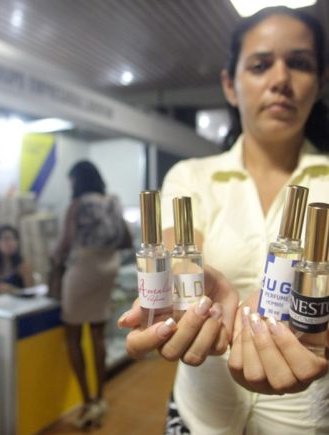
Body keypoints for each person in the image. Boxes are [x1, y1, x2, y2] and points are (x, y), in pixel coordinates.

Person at [118, 6, 329, 434]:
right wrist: (181, 292)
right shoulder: (191, 176)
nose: (281, 79)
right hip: (197, 420)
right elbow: (180, 253)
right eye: (260, 65)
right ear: (230, 85)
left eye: (300, 63)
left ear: (320, 83)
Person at [53, 160, 129, 429]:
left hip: (83, 268)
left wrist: (53, 260)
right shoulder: (112, 202)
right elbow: (126, 238)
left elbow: (64, 243)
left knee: (73, 335)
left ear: (77, 180)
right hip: (108, 267)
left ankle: (87, 401)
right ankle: (100, 397)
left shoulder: (77, 205)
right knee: (98, 334)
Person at [0, 225, 34, 293]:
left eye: (14, 239)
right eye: (6, 239)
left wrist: (12, 289)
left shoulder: (23, 265)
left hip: (18, 299)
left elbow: (30, 291)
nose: (11, 243)